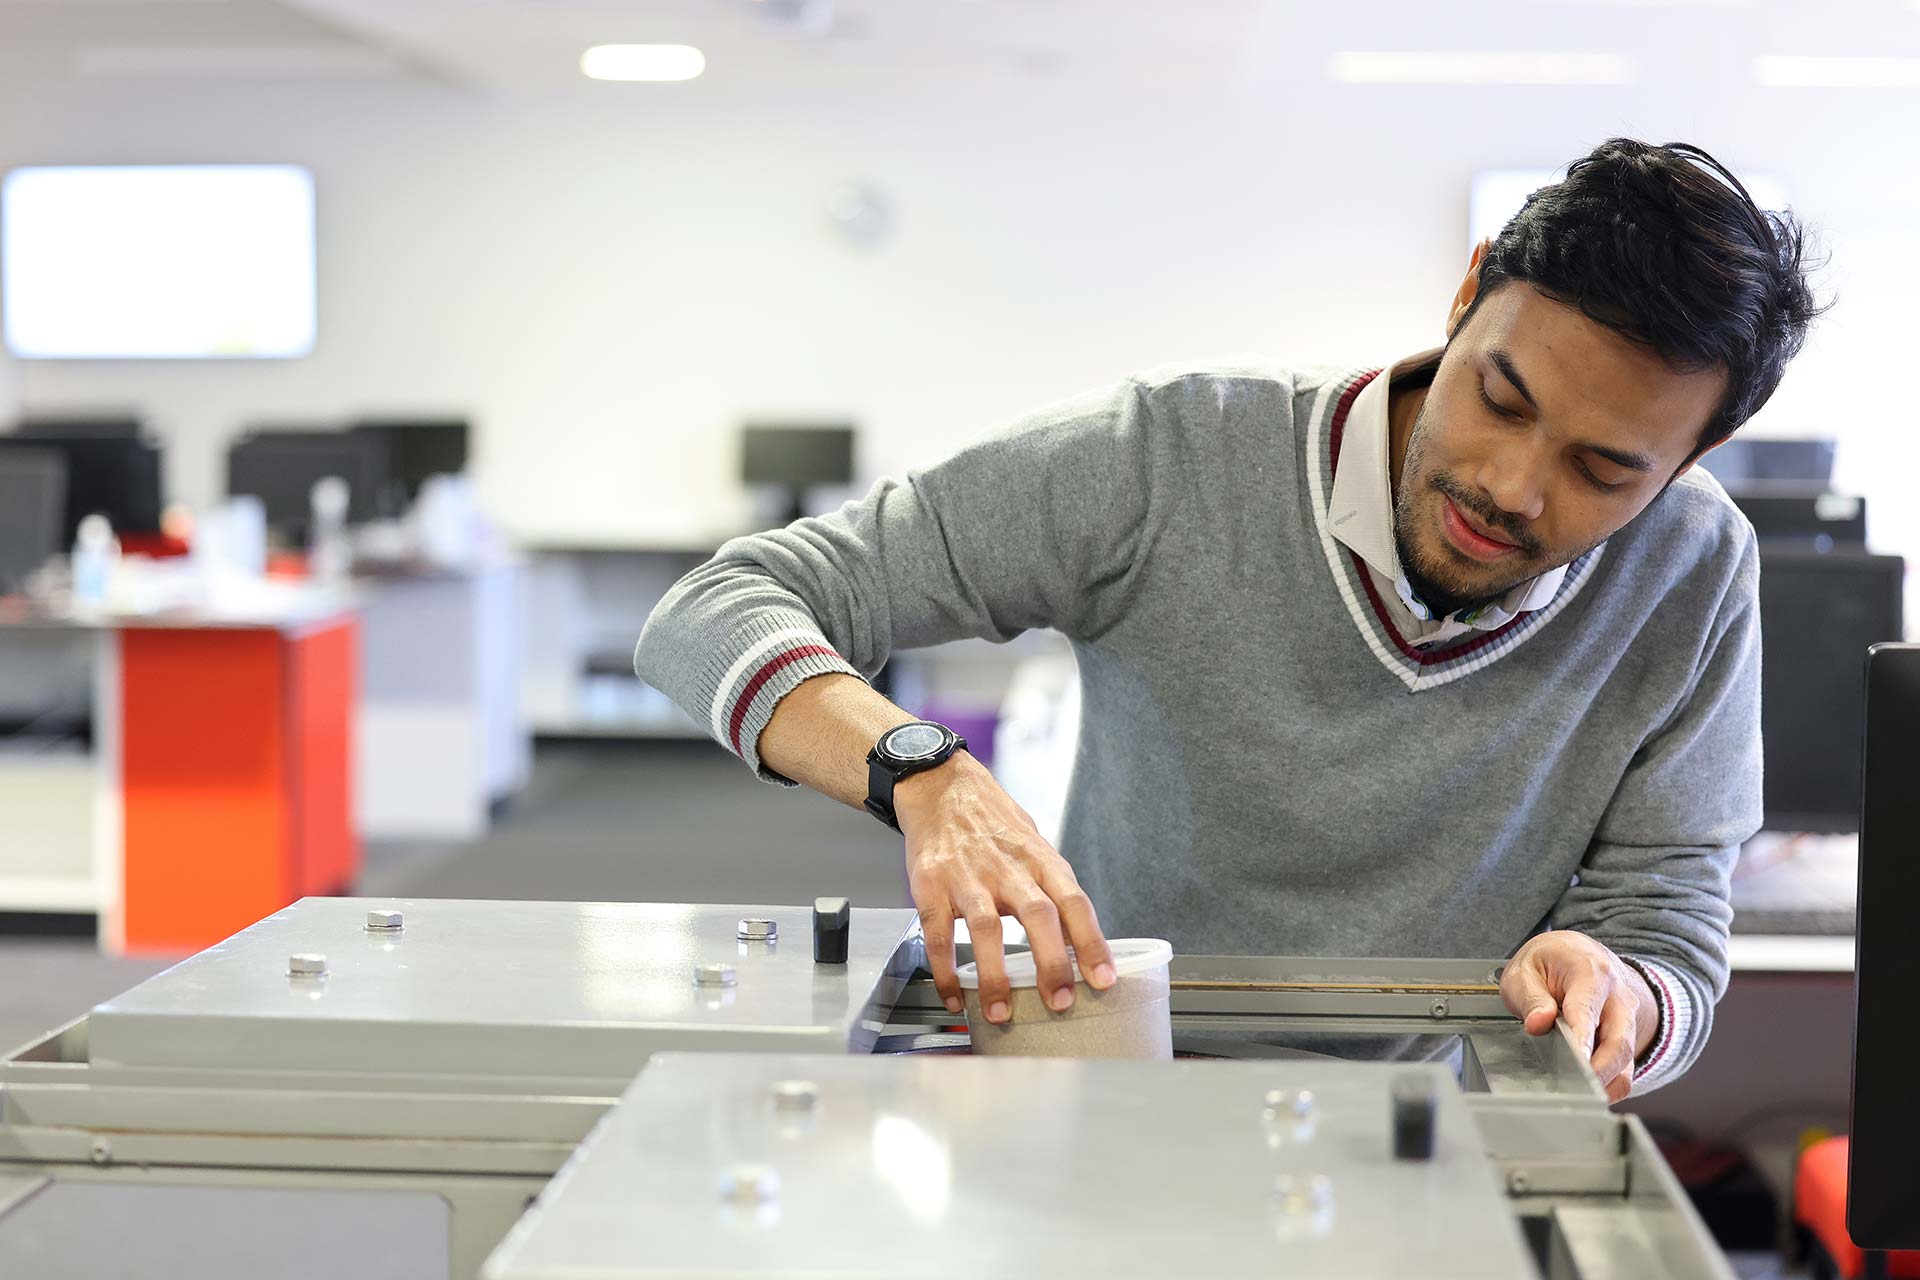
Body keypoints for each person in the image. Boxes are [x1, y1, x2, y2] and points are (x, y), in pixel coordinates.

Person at [636, 138, 1822, 1100]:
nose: (1513, 486)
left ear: (1695, 453)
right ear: (1466, 296)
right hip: (1111, 1085)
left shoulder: (1695, 565)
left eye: (1604, 468)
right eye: (1499, 398)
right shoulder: (1173, 456)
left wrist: (1625, 989)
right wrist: (922, 772)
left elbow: (1666, 917)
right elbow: (712, 608)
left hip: (1410, 1128)